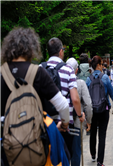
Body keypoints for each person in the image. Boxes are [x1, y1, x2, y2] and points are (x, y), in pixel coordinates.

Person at [0, 27, 70, 165]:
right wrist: (64, 124)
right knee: (63, 154)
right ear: (31, 48)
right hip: (36, 145)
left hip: (8, 150)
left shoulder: (1, 76)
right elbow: (63, 105)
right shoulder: (37, 72)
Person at [45, 37, 85, 160]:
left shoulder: (41, 69)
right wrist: (80, 115)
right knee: (65, 157)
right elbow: (75, 99)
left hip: (46, 122)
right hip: (65, 123)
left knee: (50, 158)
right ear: (61, 51)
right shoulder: (68, 70)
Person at [86, 56, 113, 166]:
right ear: (99, 65)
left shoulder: (88, 79)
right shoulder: (105, 78)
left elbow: (86, 97)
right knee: (102, 135)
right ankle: (100, 162)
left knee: (93, 133)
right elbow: (112, 93)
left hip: (92, 111)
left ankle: (93, 154)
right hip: (104, 110)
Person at [66, 58, 93, 166]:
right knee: (76, 151)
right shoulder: (81, 83)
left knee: (65, 151)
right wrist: (89, 121)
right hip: (77, 123)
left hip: (64, 122)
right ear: (76, 70)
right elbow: (88, 104)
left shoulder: (60, 81)